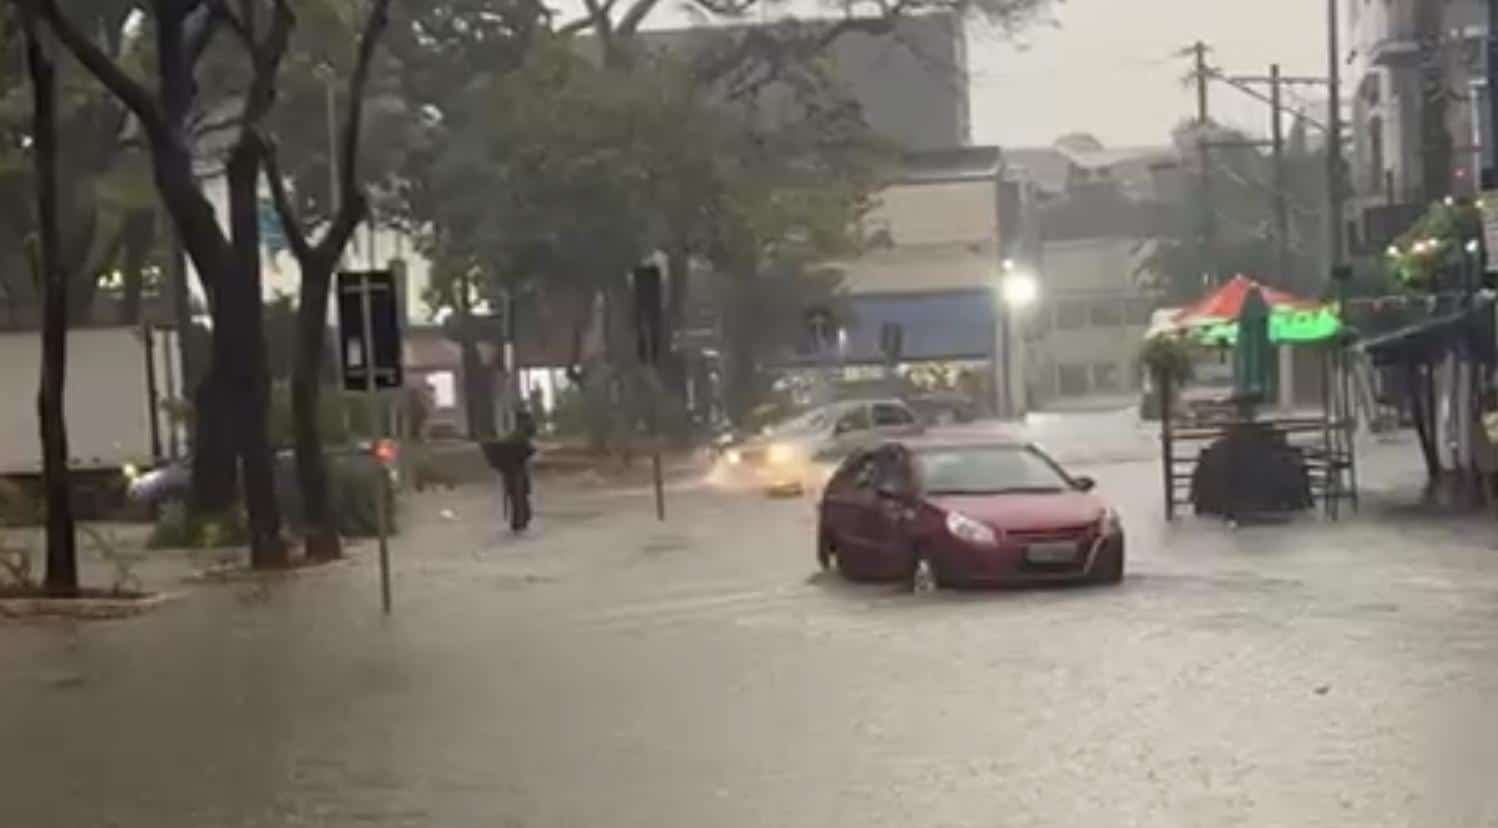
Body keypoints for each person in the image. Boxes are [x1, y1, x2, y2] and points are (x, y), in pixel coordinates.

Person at [481, 406, 538, 533]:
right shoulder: (519, 435)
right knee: (519, 497)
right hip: (516, 471)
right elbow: (527, 450)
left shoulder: (516, 434)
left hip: (513, 471)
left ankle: (521, 520)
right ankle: (519, 522)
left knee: (519, 496)